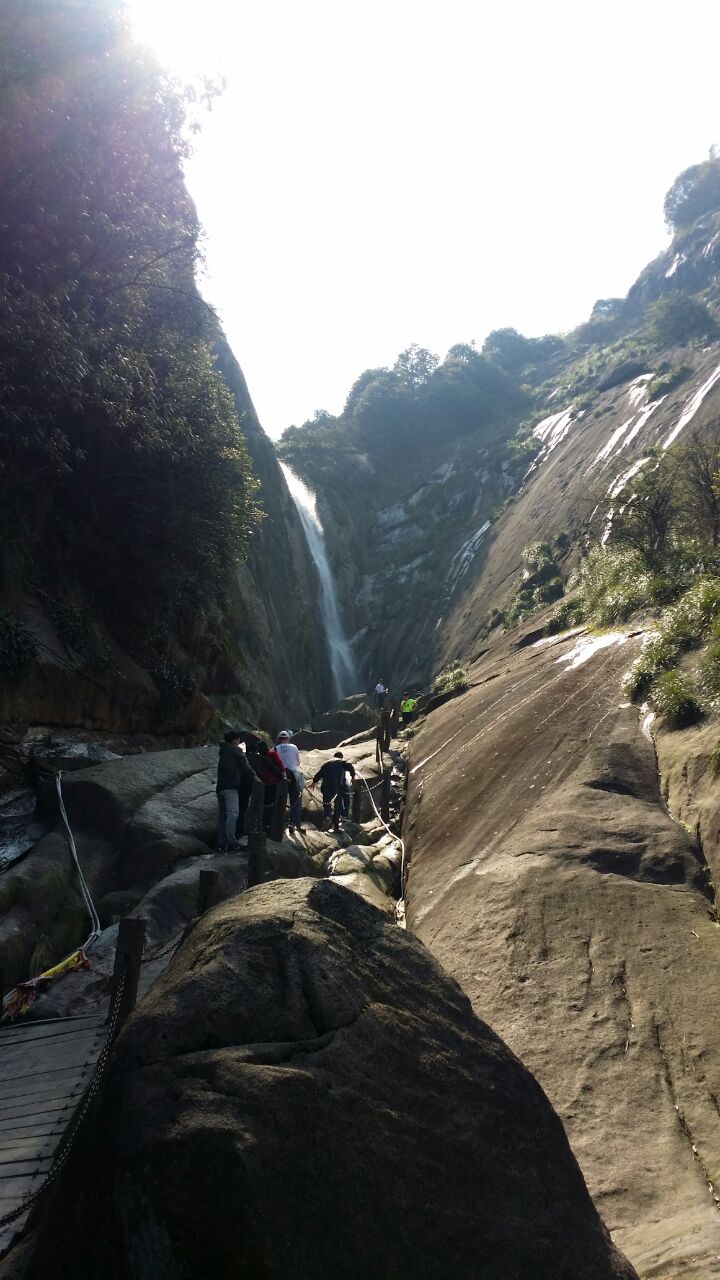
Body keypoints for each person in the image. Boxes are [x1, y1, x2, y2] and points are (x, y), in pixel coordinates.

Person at [216, 730, 255, 853]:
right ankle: (232, 843)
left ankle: (220, 845)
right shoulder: (235, 750)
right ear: (234, 740)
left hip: (220, 788)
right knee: (233, 814)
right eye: (238, 740)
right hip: (230, 787)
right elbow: (246, 766)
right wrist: (256, 777)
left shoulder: (223, 750)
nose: (239, 743)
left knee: (223, 817)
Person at [311, 750, 356, 831]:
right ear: (341, 757)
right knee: (338, 804)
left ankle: (327, 817)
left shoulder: (327, 763)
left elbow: (319, 773)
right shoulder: (342, 761)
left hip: (326, 786)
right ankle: (338, 822)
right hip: (337, 786)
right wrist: (353, 777)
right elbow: (350, 767)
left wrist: (314, 782)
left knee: (327, 804)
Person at [247, 741, 286, 832]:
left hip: (261, 783)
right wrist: (283, 777)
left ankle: (261, 825)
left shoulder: (258, 756)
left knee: (262, 804)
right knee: (269, 804)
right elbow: (278, 765)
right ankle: (267, 824)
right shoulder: (270, 753)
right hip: (271, 782)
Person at [275, 729, 306, 834]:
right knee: (294, 801)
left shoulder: (276, 748)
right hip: (293, 775)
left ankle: (279, 822)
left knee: (280, 800)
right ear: (288, 739)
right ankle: (292, 823)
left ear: (279, 739)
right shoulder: (294, 747)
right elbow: (298, 763)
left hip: (281, 776)